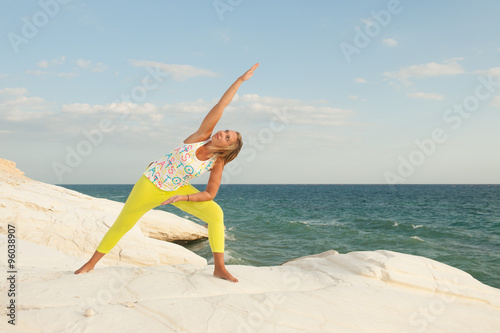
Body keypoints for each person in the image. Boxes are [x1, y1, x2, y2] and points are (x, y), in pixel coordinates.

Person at [74, 63, 259, 283]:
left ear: (227, 148)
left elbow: (210, 194)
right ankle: (91, 263)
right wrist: (239, 80)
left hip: (177, 190)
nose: (223, 133)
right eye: (226, 131)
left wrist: (184, 197)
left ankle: (219, 268)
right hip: (151, 183)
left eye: (227, 138)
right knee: (123, 224)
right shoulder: (201, 135)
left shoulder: (216, 163)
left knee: (216, 214)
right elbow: (221, 105)